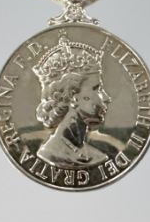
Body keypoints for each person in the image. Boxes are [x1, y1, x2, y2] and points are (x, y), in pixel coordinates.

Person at [33, 33, 112, 167]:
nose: (107, 98)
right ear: (73, 97)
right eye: (97, 89)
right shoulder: (49, 154)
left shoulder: (98, 156)